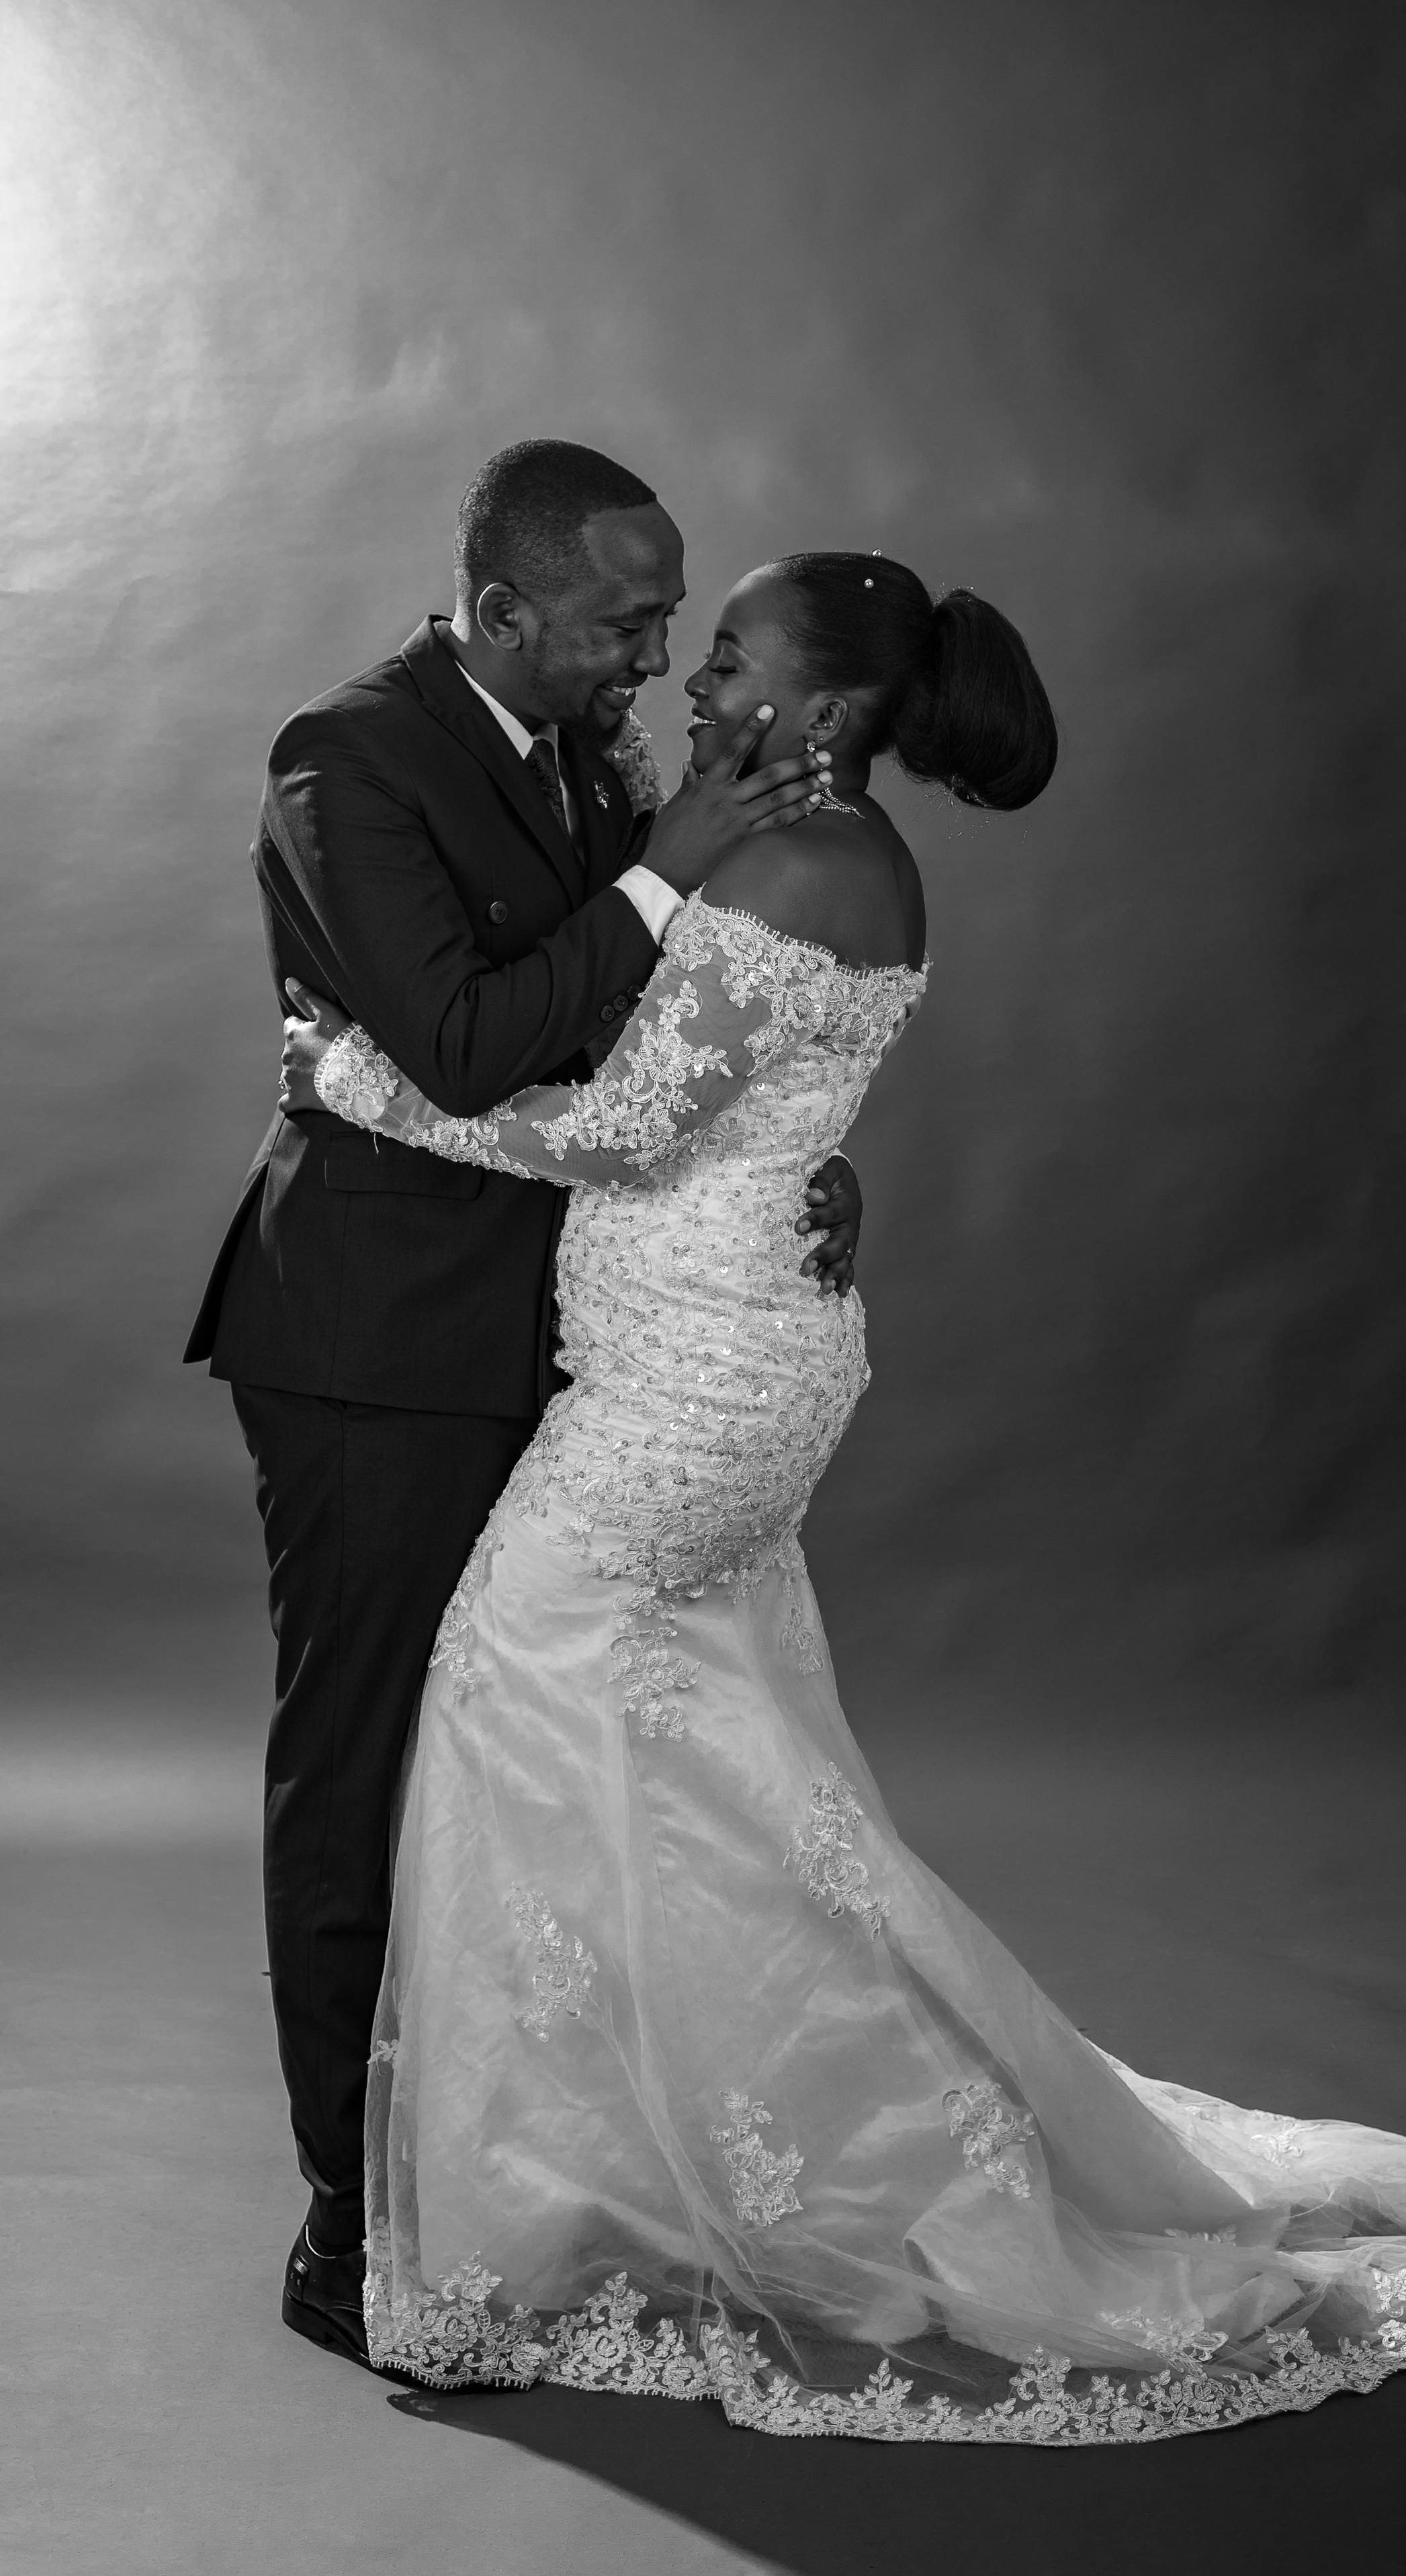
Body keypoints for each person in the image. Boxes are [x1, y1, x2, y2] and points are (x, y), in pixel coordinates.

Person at [281, 550, 1406, 2445]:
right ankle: (687, 2145)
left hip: (695, 1383)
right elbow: (763, 1107)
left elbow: (620, 1127)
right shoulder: (805, 852)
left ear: (827, 714)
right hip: (729, 1354)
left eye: (728, 649)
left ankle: (562, 2209)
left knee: (512, 1693)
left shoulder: (803, 865)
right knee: (712, 1781)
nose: (694, 669)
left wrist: (357, 1083)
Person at [183, 443, 861, 2366]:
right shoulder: (348, 756)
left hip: (565, 1339)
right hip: (370, 1352)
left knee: (520, 1777)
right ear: (501, 608)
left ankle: (503, 2168)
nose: (658, 655)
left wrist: (793, 1146)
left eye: (671, 620)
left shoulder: (586, 755)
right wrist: (673, 864)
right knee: (368, 1764)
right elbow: (473, 1044)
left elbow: (644, 1029)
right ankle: (351, 2214)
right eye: (626, 620)